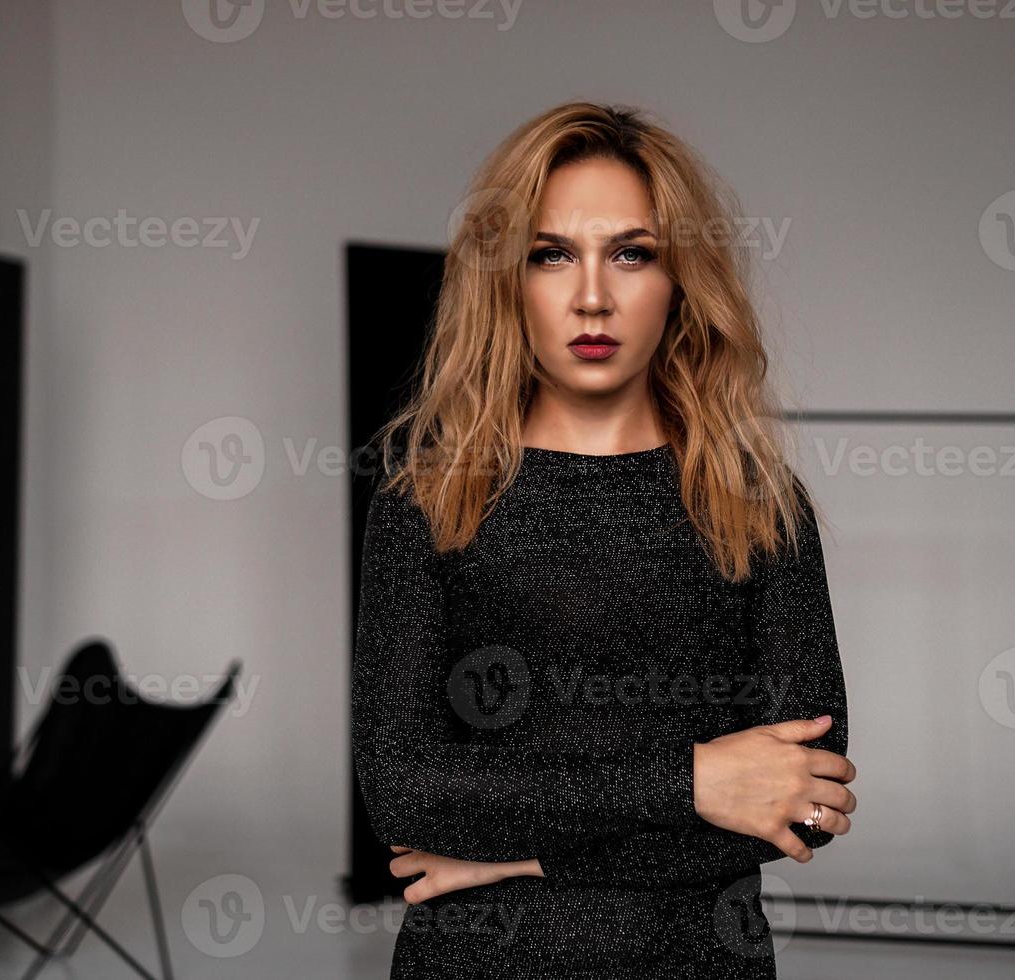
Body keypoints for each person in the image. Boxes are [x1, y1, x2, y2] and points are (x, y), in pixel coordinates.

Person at [351, 100, 857, 980]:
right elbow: (405, 790)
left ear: (681, 279)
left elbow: (804, 803)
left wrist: (522, 858)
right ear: (508, 279)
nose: (593, 295)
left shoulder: (758, 504)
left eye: (631, 253)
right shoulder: (426, 501)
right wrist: (693, 784)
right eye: (553, 254)